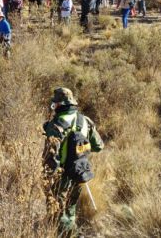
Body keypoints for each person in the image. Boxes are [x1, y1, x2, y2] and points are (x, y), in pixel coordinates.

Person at [42, 87, 104, 235]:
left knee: (58, 213)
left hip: (60, 176)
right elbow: (98, 146)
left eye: (54, 104)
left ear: (58, 104)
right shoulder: (85, 120)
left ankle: (70, 235)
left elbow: (49, 157)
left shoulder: (55, 124)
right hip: (79, 172)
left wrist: (47, 178)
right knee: (70, 208)